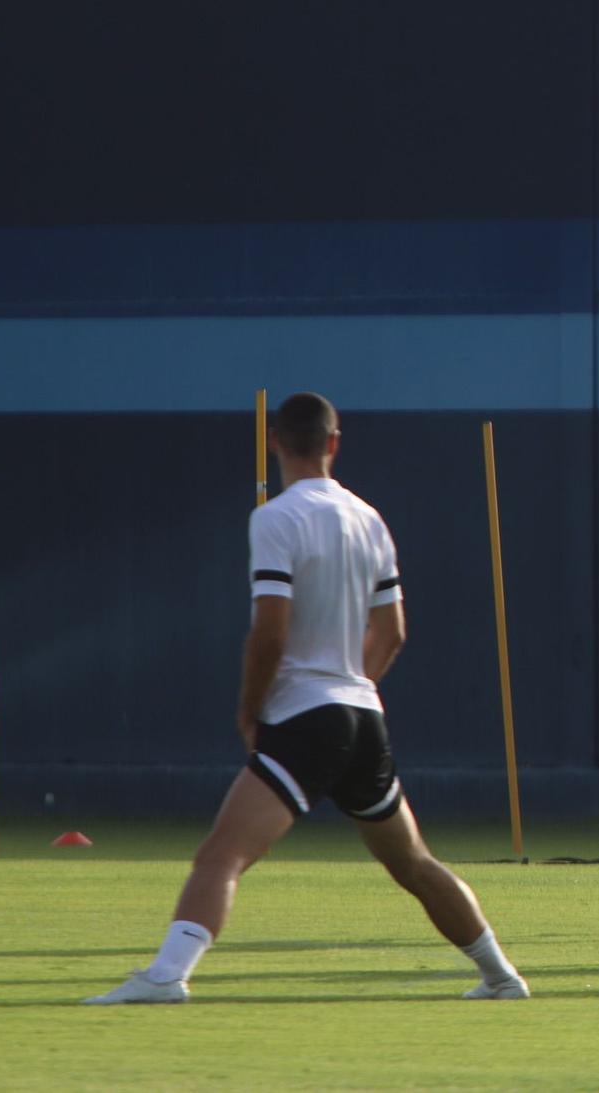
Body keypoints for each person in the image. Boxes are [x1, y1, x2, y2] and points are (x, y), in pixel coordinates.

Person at [84, 392, 528, 1005]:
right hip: (362, 716)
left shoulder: (274, 517)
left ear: (274, 442)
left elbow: (270, 629)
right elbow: (394, 630)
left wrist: (251, 710)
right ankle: (502, 976)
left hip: (304, 714)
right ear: (334, 443)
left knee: (221, 857)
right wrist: (355, 686)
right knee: (415, 864)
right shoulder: (370, 517)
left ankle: (165, 977)